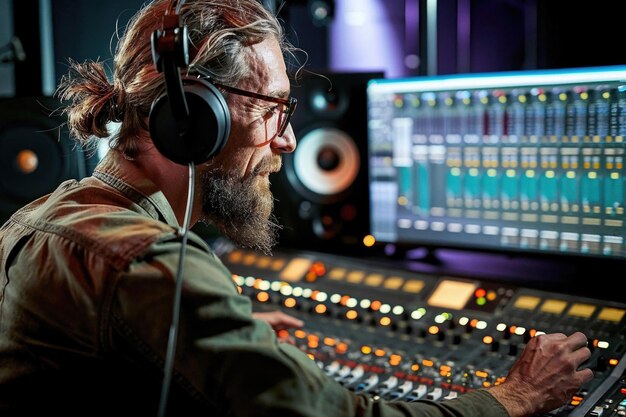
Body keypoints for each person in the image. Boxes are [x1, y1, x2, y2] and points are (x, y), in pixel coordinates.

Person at [0, 0, 593, 416]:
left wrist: (217, 349)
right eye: (274, 109)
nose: (286, 140)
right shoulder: (148, 264)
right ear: (194, 121)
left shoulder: (45, 216)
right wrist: (510, 398)